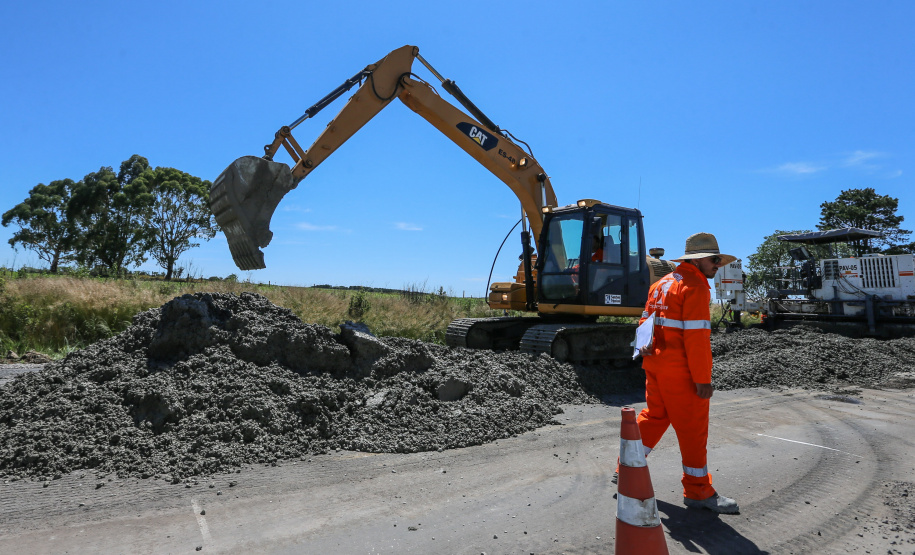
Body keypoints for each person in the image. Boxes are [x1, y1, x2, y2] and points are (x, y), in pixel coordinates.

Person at [636, 232, 740, 514]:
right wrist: (702, 379)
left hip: (655, 366)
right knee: (693, 430)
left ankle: (627, 470)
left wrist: (643, 349)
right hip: (680, 371)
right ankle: (698, 491)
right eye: (714, 260)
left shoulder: (662, 283)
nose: (718, 265)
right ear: (698, 260)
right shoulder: (694, 286)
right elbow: (696, 339)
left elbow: (645, 323)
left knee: (654, 417)